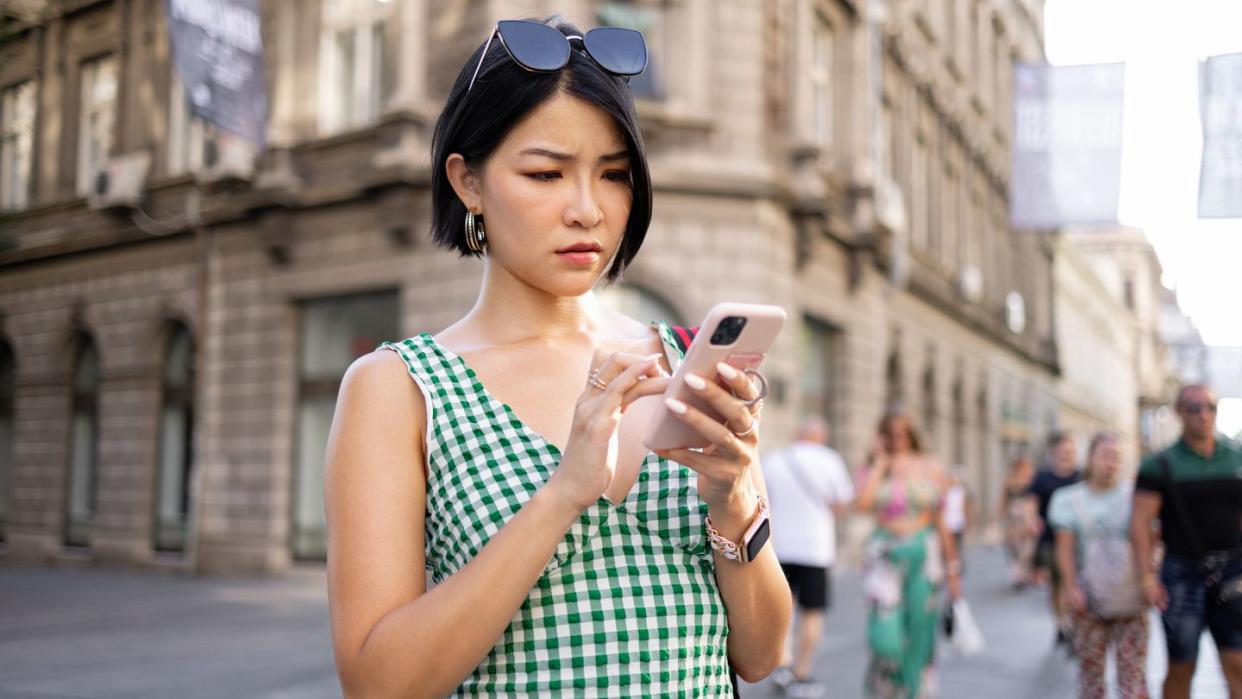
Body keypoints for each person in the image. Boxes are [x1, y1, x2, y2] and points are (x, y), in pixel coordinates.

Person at [323, 17, 792, 697]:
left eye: (614, 174)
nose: (587, 209)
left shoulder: (684, 361)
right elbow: (377, 682)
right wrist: (563, 494)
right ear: (468, 182)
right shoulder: (399, 387)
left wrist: (734, 500)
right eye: (546, 173)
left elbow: (760, 653)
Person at [1131, 384, 1242, 699]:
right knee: (1182, 666)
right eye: (1193, 408)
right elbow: (1140, 522)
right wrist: (1146, 576)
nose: (1203, 415)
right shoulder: (1160, 464)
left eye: (1209, 407)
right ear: (1180, 412)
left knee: (1238, 662)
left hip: (1234, 572)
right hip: (1182, 574)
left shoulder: (1236, 457)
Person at [855, 412, 962, 699]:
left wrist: (953, 569)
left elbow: (942, 521)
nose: (896, 438)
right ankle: (885, 691)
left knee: (919, 633)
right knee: (885, 638)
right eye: (889, 432)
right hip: (884, 557)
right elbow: (863, 505)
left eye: (902, 432)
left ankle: (915, 692)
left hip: (924, 557)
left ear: (912, 433)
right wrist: (879, 465)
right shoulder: (875, 467)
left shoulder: (931, 466)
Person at [1049, 432, 1149, 699]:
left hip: (1130, 596)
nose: (1111, 463)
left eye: (1116, 457)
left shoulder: (1136, 496)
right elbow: (1065, 547)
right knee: (1091, 676)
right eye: (1105, 455)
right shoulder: (1068, 499)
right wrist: (1070, 587)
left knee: (1134, 676)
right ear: (1090, 458)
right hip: (1088, 597)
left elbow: (1149, 540)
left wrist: (1149, 579)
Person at [763, 416, 855, 698]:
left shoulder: (774, 459)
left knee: (782, 612)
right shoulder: (830, 460)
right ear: (821, 436)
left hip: (779, 548)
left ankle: (782, 666)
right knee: (812, 614)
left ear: (797, 433)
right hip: (815, 549)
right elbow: (841, 504)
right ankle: (801, 673)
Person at [1027, 431, 1081, 648]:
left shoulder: (1080, 476)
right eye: (1063, 451)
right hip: (1050, 539)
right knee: (1056, 585)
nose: (1067, 455)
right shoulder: (1043, 477)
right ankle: (1060, 623)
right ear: (1054, 452)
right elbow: (1031, 503)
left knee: (1074, 583)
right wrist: (1031, 522)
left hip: (1078, 540)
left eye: (1071, 451)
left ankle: (1073, 622)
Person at [1000, 456, 1040, 589]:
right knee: (1016, 547)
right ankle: (1019, 572)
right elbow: (1004, 500)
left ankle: (1022, 572)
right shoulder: (1011, 482)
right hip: (1016, 517)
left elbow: (1035, 500)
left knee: (1027, 546)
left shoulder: (1032, 480)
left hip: (1026, 514)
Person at [941, 465, 972, 575]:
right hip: (946, 523)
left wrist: (967, 521)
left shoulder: (961, 491)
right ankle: (950, 563)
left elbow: (966, 507)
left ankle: (958, 564)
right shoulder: (944, 491)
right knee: (948, 545)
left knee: (958, 544)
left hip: (958, 522)